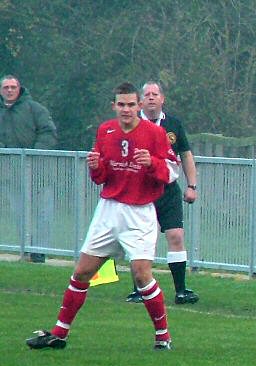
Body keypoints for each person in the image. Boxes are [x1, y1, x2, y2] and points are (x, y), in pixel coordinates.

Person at [25, 82, 177, 351]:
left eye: (131, 104)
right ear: (114, 106)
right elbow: (101, 178)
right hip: (109, 209)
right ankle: (59, 333)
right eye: (121, 104)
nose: (126, 109)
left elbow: (171, 173)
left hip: (139, 212)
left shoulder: (154, 133)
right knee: (83, 271)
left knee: (142, 275)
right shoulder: (105, 131)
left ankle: (163, 337)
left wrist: (151, 163)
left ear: (139, 106)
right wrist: (96, 168)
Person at [125, 81, 199, 305]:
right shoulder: (132, 124)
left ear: (162, 98)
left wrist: (191, 186)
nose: (150, 98)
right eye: (146, 94)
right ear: (140, 101)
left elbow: (185, 154)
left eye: (154, 94)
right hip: (142, 190)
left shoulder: (173, 124)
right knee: (140, 241)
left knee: (176, 236)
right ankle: (139, 289)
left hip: (168, 190)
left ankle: (181, 290)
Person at [1, 74, 59, 262]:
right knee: (19, 214)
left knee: (44, 214)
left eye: (13, 87)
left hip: (40, 175)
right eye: (6, 87)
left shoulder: (35, 109)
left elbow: (48, 133)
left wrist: (32, 155)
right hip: (12, 175)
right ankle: (25, 249)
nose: (9, 90)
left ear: (19, 89)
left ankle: (39, 252)